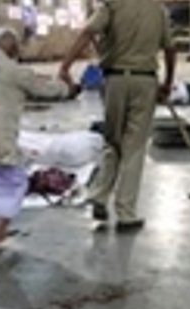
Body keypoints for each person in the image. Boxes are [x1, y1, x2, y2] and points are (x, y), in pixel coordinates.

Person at [59, 0, 176, 232]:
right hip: (145, 80)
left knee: (112, 141)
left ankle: (99, 196)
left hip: (115, 80)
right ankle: (126, 213)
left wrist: (65, 66)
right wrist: (168, 83)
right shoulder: (157, 9)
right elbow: (170, 48)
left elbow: (88, 32)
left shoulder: (113, 5)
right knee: (135, 147)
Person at [0, 28, 76, 258]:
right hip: (1, 142)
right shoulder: (13, 71)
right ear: (12, 49)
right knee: (15, 186)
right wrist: (67, 87)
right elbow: (45, 90)